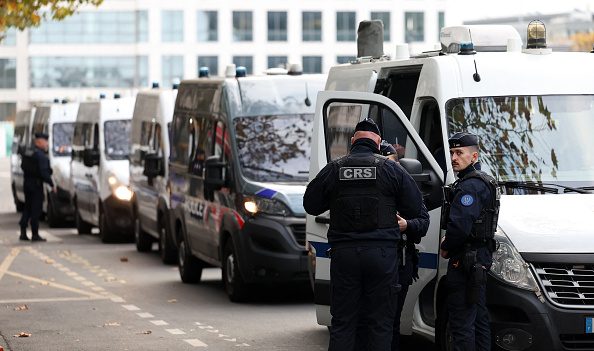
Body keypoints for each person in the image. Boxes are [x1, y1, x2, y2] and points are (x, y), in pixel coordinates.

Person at [303, 118, 426, 351]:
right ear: (378, 143)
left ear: (353, 141)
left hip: (345, 256)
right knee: (380, 324)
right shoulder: (392, 169)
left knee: (343, 323)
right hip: (382, 257)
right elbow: (414, 207)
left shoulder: (334, 168)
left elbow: (311, 204)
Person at [440, 132, 500, 351]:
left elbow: (460, 226)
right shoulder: (482, 180)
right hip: (478, 259)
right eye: (452, 153)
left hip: (466, 260)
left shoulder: (470, 186)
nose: (454, 157)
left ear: (473, 156)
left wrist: (446, 246)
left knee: (462, 323)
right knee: (478, 319)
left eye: (460, 153)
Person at [19, 132, 56, 241]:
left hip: (27, 184)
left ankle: (23, 232)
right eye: (45, 142)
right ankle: (35, 234)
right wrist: (52, 184)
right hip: (36, 186)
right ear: (39, 142)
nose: (47, 144)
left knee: (27, 208)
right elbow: (44, 172)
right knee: (36, 209)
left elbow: (23, 166)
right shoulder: (40, 156)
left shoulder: (28, 153)